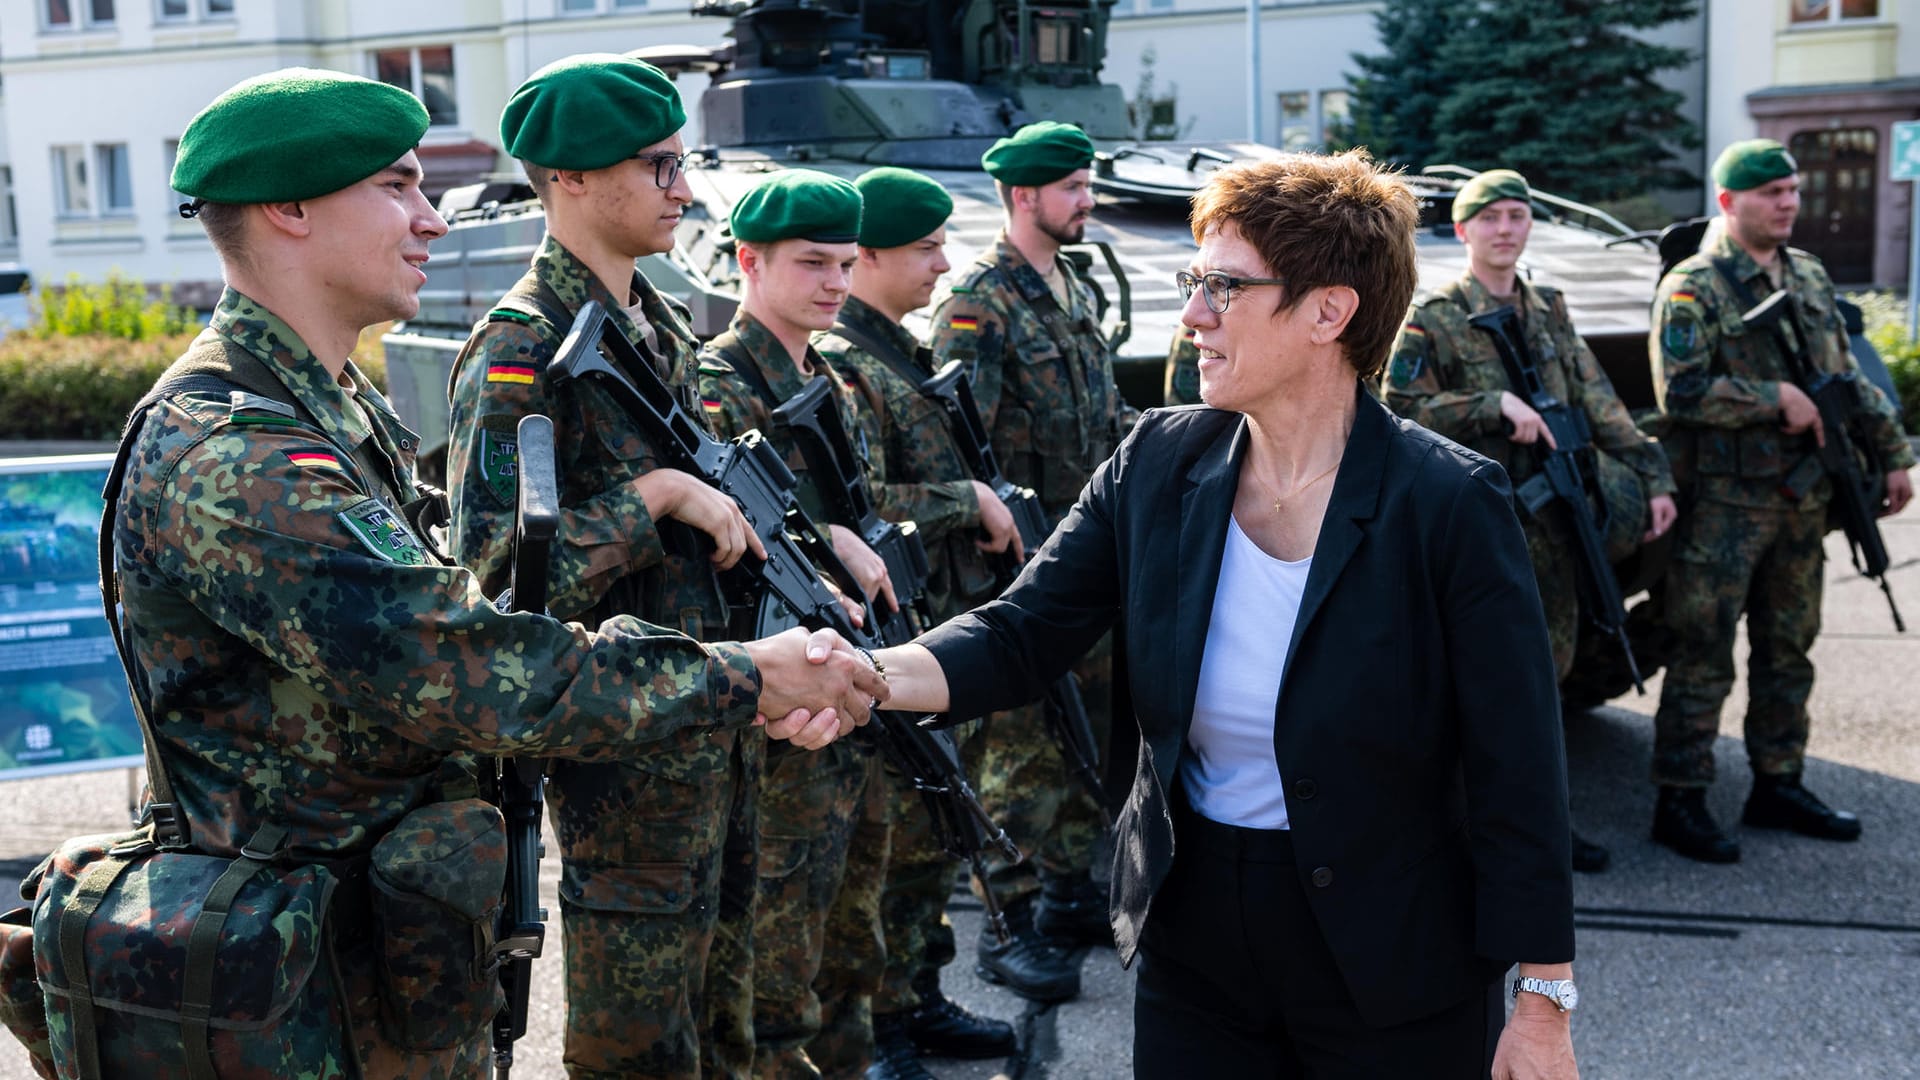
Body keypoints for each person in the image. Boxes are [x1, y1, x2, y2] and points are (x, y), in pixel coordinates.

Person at [69, 68, 884, 1077]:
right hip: (295, 987)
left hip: (376, 949)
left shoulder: (327, 411)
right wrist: (749, 675)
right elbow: (475, 663)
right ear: (288, 209)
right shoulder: (239, 455)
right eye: (399, 188)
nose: (432, 222)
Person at [873, 151, 1579, 1078]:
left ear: (1330, 312)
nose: (1193, 315)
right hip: (1197, 932)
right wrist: (867, 678)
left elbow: (1517, 763)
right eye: (1193, 282)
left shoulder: (1446, 502)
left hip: (1393, 953)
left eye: (1224, 288)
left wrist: (1543, 1002)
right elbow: (1019, 633)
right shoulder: (1157, 462)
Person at [443, 54, 771, 1078]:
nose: (684, 188)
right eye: (659, 165)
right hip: (625, 761)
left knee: (726, 1025)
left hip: (714, 722)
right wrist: (656, 498)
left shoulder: (656, 323)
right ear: (573, 180)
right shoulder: (523, 347)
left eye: (686, 163)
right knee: (639, 1054)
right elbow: (493, 583)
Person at [1381, 168, 1679, 875]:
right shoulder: (1435, 316)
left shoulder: (1548, 307)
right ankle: (1482, 827)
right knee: (1495, 681)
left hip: (1556, 519)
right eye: (1490, 218)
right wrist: (1492, 406)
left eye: (1516, 216)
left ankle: (1531, 821)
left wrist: (1651, 473)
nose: (1505, 229)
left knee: (1550, 673)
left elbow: (1598, 397)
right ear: (1463, 231)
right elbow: (1397, 410)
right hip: (1484, 525)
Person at [1646, 139, 1915, 863]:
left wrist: (1893, 455)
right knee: (1703, 650)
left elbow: (1847, 379)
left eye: (1793, 191)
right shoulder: (1694, 286)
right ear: (1731, 203)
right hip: (1728, 506)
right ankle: (1681, 796)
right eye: (1772, 194)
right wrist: (1776, 398)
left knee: (1788, 649)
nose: (1789, 203)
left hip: (1803, 500)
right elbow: (1680, 393)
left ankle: (1778, 782)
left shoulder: (1809, 275)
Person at [811, 166, 1024, 1079]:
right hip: (887, 632)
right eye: (926, 247)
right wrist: (959, 497)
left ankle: (916, 997)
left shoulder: (896, 350)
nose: (944, 262)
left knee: (932, 828)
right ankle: (883, 1023)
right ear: (872, 259)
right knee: (892, 840)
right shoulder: (850, 367)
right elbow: (858, 504)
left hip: (936, 618)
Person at [925, 120, 1138, 1002]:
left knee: (1086, 732)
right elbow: (952, 438)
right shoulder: (980, 300)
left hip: (1089, 546)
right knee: (1020, 749)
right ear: (1025, 197)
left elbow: (1101, 408)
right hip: (1023, 563)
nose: (1087, 202)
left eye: (1086, 186)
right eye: (1074, 190)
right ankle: (1006, 923)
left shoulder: (1072, 288)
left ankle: (1066, 891)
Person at [695, 169, 896, 1078]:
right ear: (749, 262)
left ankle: (854, 1055)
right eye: (813, 263)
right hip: (785, 701)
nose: (836, 283)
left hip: (855, 669)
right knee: (781, 930)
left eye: (847, 265)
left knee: (856, 904)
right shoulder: (719, 386)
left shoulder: (836, 377)